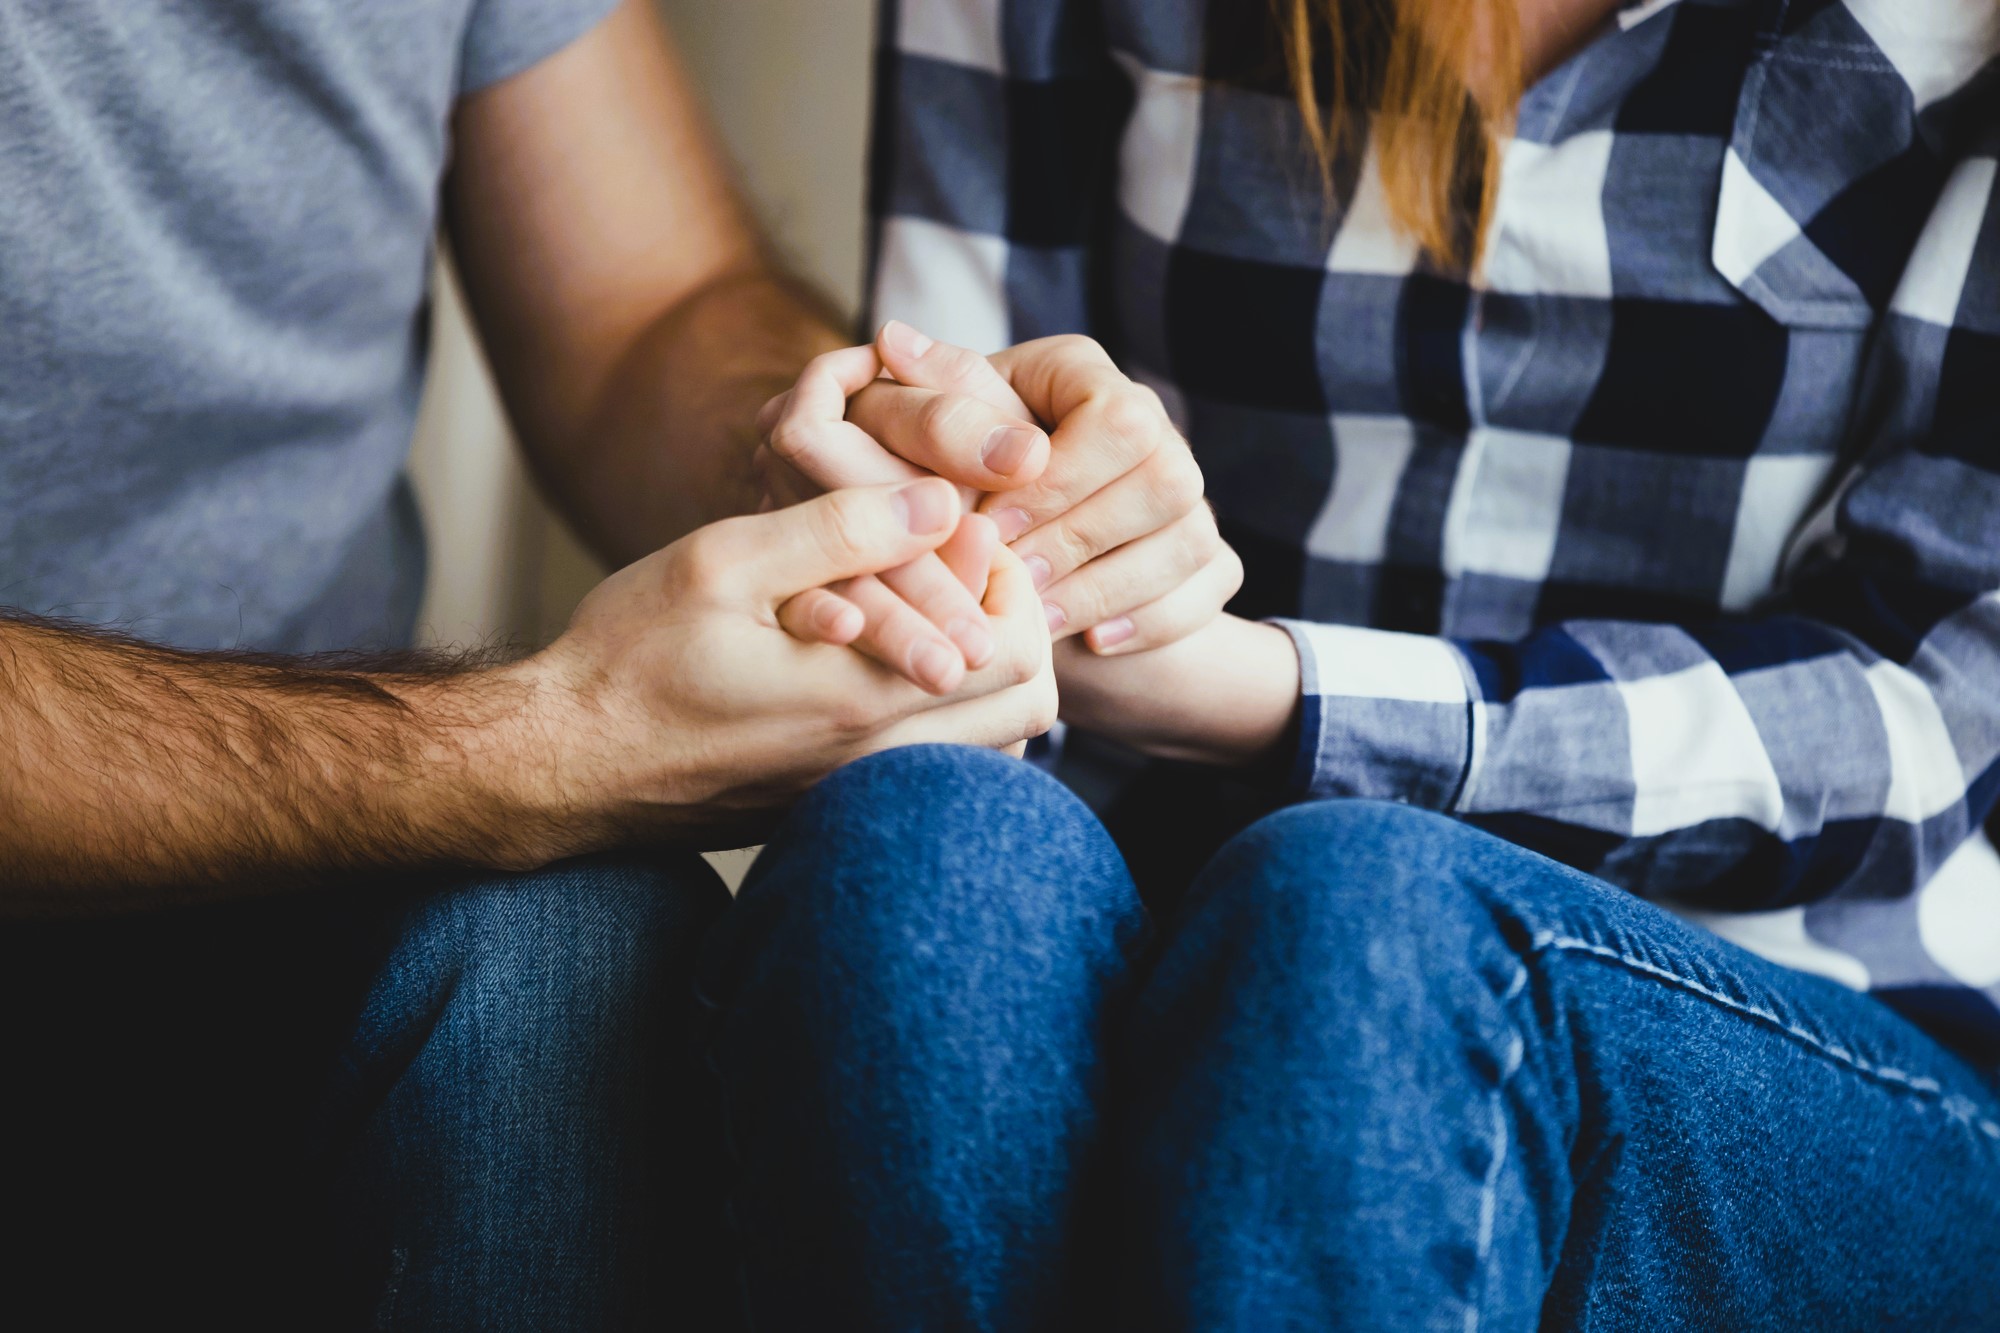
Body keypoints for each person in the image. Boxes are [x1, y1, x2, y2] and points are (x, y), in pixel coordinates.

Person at [699, 0, 2000, 1326]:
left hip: (1827, 1018)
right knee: (912, 854)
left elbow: (1932, 720)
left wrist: (1261, 688)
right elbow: (951, 445)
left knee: (1363, 916)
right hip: (1177, 925)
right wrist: (943, 499)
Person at [0, 0, 1217, 1325]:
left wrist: (845, 467)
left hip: (283, 928)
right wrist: (524, 744)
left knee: (564, 953)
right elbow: (524, 753)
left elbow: (651, 309)